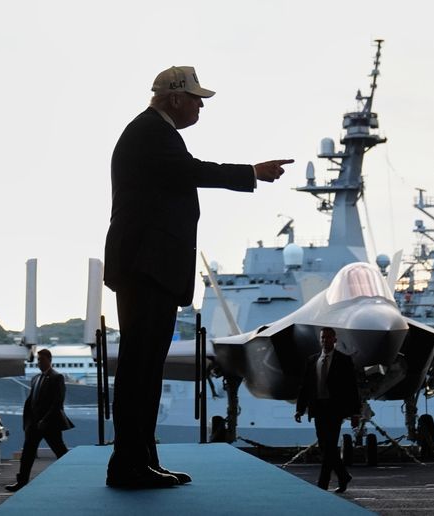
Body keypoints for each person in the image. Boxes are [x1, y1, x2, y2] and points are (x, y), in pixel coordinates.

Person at [103, 65, 292, 489]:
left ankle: (139, 459)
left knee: (146, 370)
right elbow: (193, 171)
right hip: (147, 267)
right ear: (174, 98)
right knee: (140, 370)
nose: (200, 107)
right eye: (196, 99)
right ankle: (129, 464)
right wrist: (251, 172)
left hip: (148, 267)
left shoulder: (152, 132)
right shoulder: (153, 133)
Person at [294, 327, 361, 492]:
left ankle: (322, 485)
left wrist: (355, 412)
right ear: (320, 339)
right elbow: (306, 387)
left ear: (335, 340)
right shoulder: (312, 360)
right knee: (325, 447)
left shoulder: (344, 360)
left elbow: (352, 388)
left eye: (329, 338)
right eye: (323, 338)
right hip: (318, 409)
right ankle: (343, 476)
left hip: (335, 410)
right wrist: (300, 409)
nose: (325, 340)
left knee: (329, 446)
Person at [5, 349, 74, 492]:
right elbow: (31, 402)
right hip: (34, 425)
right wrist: (28, 422)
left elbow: (57, 403)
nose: (38, 362)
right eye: (38, 360)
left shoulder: (57, 377)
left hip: (50, 424)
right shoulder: (35, 378)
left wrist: (45, 420)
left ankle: (71, 478)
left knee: (60, 452)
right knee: (27, 455)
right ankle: (22, 482)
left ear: (49, 359)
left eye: (41, 359)